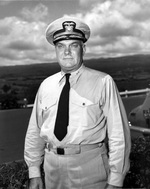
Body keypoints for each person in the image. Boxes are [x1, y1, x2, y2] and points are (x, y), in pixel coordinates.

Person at [24, 17, 131, 189]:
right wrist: (34, 171)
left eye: (73, 45)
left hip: (90, 168)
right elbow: (34, 130)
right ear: (56, 51)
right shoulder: (46, 85)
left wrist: (116, 179)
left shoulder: (103, 81)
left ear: (84, 49)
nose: (66, 52)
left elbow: (119, 134)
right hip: (52, 170)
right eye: (61, 46)